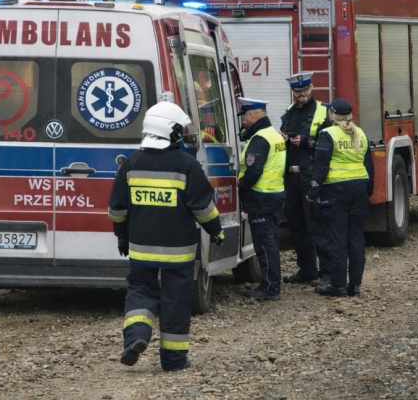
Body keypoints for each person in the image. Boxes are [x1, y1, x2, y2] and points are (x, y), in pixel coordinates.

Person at [108, 101, 225, 372]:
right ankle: (173, 360)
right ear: (170, 132)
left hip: (140, 249)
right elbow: (203, 208)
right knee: (176, 301)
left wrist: (121, 237)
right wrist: (216, 231)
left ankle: (136, 337)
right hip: (179, 252)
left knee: (140, 292)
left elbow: (117, 209)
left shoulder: (130, 164)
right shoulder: (186, 164)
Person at [306, 98, 374, 298]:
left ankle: (337, 285)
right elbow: (369, 165)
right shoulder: (360, 133)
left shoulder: (328, 134)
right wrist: (368, 189)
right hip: (360, 187)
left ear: (332, 115)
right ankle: (355, 284)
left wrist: (312, 192)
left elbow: (321, 167)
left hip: (336, 190)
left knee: (337, 239)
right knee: (356, 238)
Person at [280, 72, 332, 286]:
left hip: (311, 176)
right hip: (291, 177)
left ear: (311, 88)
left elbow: (330, 138)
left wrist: (307, 141)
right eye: (297, 93)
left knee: (317, 226)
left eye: (304, 92)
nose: (300, 96)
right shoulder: (289, 113)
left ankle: (327, 273)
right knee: (297, 225)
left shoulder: (324, 111)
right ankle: (307, 269)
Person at [237, 97, 286, 301]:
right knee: (271, 241)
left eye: (244, 118)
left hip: (260, 198)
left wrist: (241, 183)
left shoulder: (259, 138)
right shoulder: (274, 133)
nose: (243, 122)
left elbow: (254, 170)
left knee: (265, 245)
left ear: (251, 115)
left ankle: (270, 288)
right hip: (274, 195)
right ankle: (271, 284)